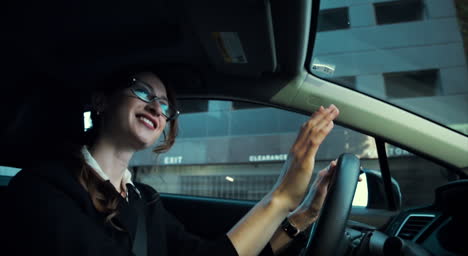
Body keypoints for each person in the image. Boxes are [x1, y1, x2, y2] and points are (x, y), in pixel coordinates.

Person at [3, 68, 343, 256]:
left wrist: (303, 215)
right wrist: (280, 195)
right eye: (143, 92)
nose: (156, 108)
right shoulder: (41, 190)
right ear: (100, 101)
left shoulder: (142, 199)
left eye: (165, 106)